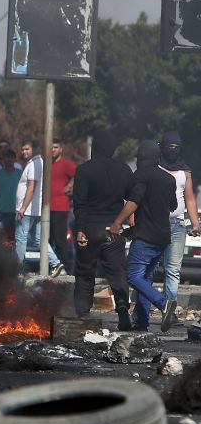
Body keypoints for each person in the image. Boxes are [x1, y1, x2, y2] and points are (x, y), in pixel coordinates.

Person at [109, 140, 178, 332]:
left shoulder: (141, 175)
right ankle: (142, 324)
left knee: (133, 276)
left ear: (141, 158)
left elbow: (133, 201)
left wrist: (117, 222)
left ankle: (164, 304)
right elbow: (172, 206)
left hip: (146, 236)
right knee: (145, 280)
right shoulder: (168, 179)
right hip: (162, 237)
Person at [70, 130, 132, 325]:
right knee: (117, 273)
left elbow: (79, 204)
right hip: (113, 230)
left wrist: (80, 230)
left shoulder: (84, 170)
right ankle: (122, 310)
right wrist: (128, 222)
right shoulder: (124, 169)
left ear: (94, 148)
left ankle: (83, 314)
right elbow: (133, 199)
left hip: (89, 229)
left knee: (85, 273)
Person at [158, 131, 201, 303]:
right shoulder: (155, 167)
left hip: (177, 225)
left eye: (176, 147)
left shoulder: (185, 171)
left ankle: (170, 308)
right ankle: (143, 307)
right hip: (155, 224)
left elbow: (189, 199)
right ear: (163, 147)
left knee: (173, 269)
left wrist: (195, 224)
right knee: (151, 268)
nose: (173, 150)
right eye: (170, 147)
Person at [14, 140, 64, 276]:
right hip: (34, 209)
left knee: (21, 238)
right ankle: (55, 263)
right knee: (38, 239)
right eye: (22, 149)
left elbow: (31, 186)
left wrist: (23, 207)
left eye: (27, 149)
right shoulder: (36, 163)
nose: (24, 152)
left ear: (34, 149)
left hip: (28, 209)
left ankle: (17, 269)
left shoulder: (35, 164)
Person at [49, 140, 77, 269]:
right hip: (45, 208)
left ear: (60, 149)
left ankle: (64, 266)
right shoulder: (45, 164)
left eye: (55, 147)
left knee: (60, 239)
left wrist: (69, 186)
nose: (53, 150)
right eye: (51, 147)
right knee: (47, 240)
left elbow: (77, 174)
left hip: (60, 207)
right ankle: (51, 265)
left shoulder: (66, 164)